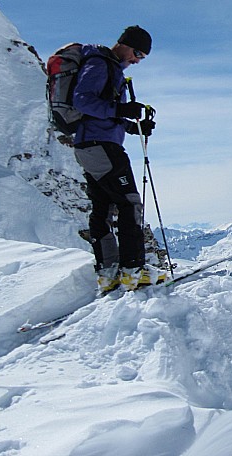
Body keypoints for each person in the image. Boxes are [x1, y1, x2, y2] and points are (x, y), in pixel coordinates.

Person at [72, 25, 165, 292]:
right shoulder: (101, 64)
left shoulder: (110, 68)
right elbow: (82, 101)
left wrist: (132, 126)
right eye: (137, 53)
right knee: (129, 202)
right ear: (123, 44)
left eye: (142, 58)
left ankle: (108, 272)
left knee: (103, 207)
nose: (137, 60)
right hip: (101, 146)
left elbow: (102, 116)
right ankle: (133, 269)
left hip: (92, 145)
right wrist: (121, 108)